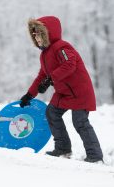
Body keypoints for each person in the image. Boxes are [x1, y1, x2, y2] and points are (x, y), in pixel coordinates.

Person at [20, 16, 103, 163]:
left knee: (80, 122)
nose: (37, 39)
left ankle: (95, 156)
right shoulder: (44, 55)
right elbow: (42, 75)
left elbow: (70, 64)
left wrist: (51, 79)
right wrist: (29, 94)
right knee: (52, 113)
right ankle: (63, 148)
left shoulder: (62, 47)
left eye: (39, 35)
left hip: (79, 91)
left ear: (48, 34)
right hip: (64, 93)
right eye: (35, 36)